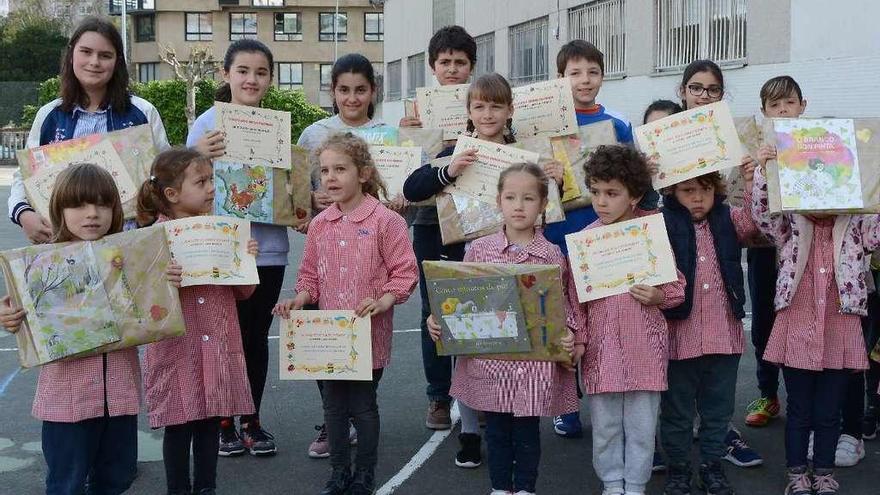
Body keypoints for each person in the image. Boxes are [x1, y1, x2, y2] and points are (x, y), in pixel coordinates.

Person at [404, 73, 563, 468]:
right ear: (469, 112)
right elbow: (411, 189)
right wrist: (449, 170)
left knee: (513, 345)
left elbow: (550, 203)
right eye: (479, 106)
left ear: (510, 111)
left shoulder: (525, 154)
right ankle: (471, 432)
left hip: (517, 261)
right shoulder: (455, 149)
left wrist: (559, 179)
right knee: (470, 347)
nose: (487, 113)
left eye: (495, 105)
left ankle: (511, 419)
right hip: (468, 260)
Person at [273, 132, 418, 495]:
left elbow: (405, 273)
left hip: (368, 334)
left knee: (363, 406)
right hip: (326, 338)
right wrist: (298, 299)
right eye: (324, 171)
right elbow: (309, 277)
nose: (331, 178)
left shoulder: (387, 222)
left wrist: (384, 301)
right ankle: (339, 473)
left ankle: (364, 475)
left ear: (363, 173)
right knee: (333, 407)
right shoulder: (320, 225)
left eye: (340, 169)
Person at [426, 162, 578, 495]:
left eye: (528, 198)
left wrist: (570, 333)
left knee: (526, 431)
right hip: (491, 361)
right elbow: (459, 298)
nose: (519, 205)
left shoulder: (552, 254)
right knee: (495, 429)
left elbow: (565, 302)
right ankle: (499, 487)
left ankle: (524, 488)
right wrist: (439, 320)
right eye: (511, 197)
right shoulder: (479, 249)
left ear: (542, 205)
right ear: (498, 202)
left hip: (533, 364)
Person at [0, 163, 141, 495]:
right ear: (58, 211)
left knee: (118, 478)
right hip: (67, 400)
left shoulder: (129, 256)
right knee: (67, 482)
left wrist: (165, 281)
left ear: (115, 209)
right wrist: (7, 318)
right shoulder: (40, 263)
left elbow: (152, 307)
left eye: (102, 203)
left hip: (119, 395)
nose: (92, 213)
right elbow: (14, 308)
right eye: (78, 204)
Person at [751, 149, 880, 495]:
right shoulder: (791, 227)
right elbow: (763, 216)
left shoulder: (857, 226)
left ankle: (823, 472)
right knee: (799, 411)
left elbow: (877, 231)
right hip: (797, 324)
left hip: (840, 326)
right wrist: (767, 172)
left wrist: (874, 175)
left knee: (829, 412)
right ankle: (796, 474)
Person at [546, 39, 654, 438]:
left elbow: (633, 178)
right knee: (566, 320)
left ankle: (608, 393)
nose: (584, 80)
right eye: (574, 72)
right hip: (558, 235)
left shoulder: (618, 125)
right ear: (560, 78)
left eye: (592, 72)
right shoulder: (542, 124)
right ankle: (567, 403)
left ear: (603, 77)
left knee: (605, 319)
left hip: (609, 239)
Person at [136, 148, 258, 495]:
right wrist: (163, 280)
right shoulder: (152, 239)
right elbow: (145, 304)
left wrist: (245, 260)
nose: (211, 188)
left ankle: (207, 488)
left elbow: (244, 292)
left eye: (211, 180)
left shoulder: (224, 230)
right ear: (172, 194)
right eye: (201, 182)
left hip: (217, 344)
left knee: (209, 422)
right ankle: (178, 489)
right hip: (177, 349)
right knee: (178, 425)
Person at [570, 145, 686, 495]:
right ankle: (611, 482)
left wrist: (660, 296)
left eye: (612, 193)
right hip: (602, 354)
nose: (601, 201)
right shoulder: (586, 240)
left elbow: (677, 284)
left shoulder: (652, 231)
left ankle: (635, 484)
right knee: (605, 426)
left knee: (641, 425)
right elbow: (576, 301)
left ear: (635, 194)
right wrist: (579, 340)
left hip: (644, 350)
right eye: (595, 192)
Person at [188, 38, 282, 457]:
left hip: (269, 249)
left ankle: (253, 420)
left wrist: (295, 206)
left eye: (261, 72)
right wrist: (195, 153)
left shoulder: (276, 127)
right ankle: (224, 422)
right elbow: (185, 185)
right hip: (221, 250)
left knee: (256, 337)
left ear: (269, 80)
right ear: (225, 75)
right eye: (243, 70)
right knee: (226, 337)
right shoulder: (206, 124)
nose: (251, 79)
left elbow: (284, 189)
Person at [668, 60, 764, 470]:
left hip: (721, 307)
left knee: (717, 396)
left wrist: (754, 175)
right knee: (675, 400)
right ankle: (674, 459)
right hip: (680, 311)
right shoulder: (665, 138)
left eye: (712, 89)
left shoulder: (734, 138)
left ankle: (715, 450)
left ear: (721, 95)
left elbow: (753, 219)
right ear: (683, 92)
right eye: (696, 87)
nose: (703, 95)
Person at [295, 52, 391, 460]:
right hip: (329, 248)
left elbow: (399, 189)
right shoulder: (313, 133)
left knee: (366, 357)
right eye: (343, 90)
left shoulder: (390, 133)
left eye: (360, 90)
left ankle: (357, 419)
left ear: (372, 92)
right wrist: (309, 201)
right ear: (332, 92)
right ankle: (332, 419)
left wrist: (398, 200)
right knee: (323, 347)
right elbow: (298, 191)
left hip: (370, 248)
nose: (352, 98)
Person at [8, 16, 169, 243]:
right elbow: (24, 176)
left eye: (105, 55)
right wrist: (24, 214)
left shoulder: (142, 112)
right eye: (86, 52)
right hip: (64, 242)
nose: (94, 62)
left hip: (129, 241)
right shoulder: (49, 116)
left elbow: (163, 174)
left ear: (117, 62)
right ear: (71, 54)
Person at [658, 165, 758, 495]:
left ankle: (712, 465)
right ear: (672, 192)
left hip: (724, 334)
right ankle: (678, 469)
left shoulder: (729, 218)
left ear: (716, 189)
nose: (698, 197)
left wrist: (751, 181)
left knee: (718, 411)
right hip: (679, 338)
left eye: (705, 189)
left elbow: (757, 223)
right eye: (688, 190)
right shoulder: (660, 222)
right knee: (677, 413)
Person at [400, 25, 478, 435]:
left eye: (460, 62)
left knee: (478, 304)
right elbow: (407, 181)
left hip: (477, 224)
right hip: (431, 224)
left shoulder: (485, 107)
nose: (452, 69)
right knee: (434, 312)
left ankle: (479, 394)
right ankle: (438, 395)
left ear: (471, 68)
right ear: (433, 67)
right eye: (445, 62)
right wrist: (412, 135)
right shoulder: (417, 115)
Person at [743, 76, 807, 430]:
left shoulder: (820, 144)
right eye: (774, 105)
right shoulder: (759, 150)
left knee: (805, 323)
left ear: (803, 105)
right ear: (764, 112)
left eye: (789, 102)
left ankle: (804, 397)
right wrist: (759, 168)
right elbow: (752, 210)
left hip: (810, 252)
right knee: (764, 323)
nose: (783, 110)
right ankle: (768, 394)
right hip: (767, 248)